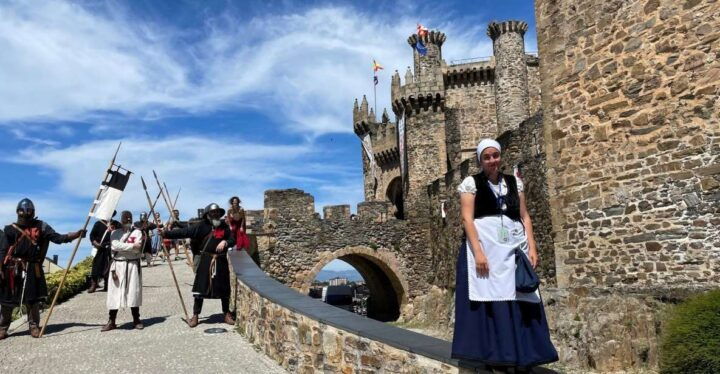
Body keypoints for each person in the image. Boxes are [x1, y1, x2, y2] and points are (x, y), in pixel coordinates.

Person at [451, 139, 558, 373]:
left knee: (518, 299)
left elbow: (525, 216)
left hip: (512, 250)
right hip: (486, 251)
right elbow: (467, 219)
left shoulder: (513, 182)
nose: (492, 161)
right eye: (487, 157)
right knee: (490, 303)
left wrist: (532, 247)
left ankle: (521, 355)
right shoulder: (472, 184)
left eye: (495, 156)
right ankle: (495, 356)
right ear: (480, 160)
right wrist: (478, 252)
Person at [0, 198, 86, 339]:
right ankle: (3, 328)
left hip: (33, 268)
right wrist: (1, 268)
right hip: (12, 268)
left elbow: (57, 238)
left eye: (28, 211)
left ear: (33, 212)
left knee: (32, 299)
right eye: (23, 211)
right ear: (18, 212)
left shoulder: (41, 226)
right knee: (7, 300)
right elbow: (3, 250)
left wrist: (75, 235)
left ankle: (34, 326)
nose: (26, 213)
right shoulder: (10, 229)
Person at [161, 203, 235, 328]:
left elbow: (233, 240)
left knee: (224, 288)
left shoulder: (224, 226)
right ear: (207, 215)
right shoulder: (201, 226)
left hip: (221, 260)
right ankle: (195, 315)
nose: (216, 214)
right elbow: (184, 232)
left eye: (217, 212)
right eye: (213, 213)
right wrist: (166, 234)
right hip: (206, 260)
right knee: (200, 288)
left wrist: (225, 241)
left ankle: (226, 313)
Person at [103, 211, 144, 331]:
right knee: (114, 294)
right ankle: (112, 321)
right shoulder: (115, 233)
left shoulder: (137, 232)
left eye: (129, 218)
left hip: (132, 265)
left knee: (133, 292)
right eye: (125, 218)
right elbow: (114, 246)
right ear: (121, 220)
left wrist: (128, 248)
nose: (127, 219)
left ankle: (136, 319)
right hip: (118, 266)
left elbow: (138, 249)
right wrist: (131, 247)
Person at [89, 211, 117, 293]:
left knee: (110, 267)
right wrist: (95, 243)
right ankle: (94, 285)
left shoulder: (116, 224)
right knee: (96, 266)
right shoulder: (98, 223)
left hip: (111, 248)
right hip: (100, 248)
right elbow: (92, 235)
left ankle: (107, 285)